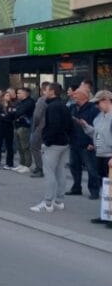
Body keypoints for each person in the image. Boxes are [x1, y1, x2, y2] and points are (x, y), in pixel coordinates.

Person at [30, 83, 73, 213]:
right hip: (64, 143)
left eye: (46, 90)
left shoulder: (52, 107)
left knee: (49, 173)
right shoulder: (63, 105)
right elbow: (69, 125)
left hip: (53, 144)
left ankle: (48, 202)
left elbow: (53, 126)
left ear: (52, 91)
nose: (44, 92)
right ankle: (59, 201)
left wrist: (47, 141)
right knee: (60, 172)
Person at [81, 90, 112, 227]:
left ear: (106, 100)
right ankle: (106, 214)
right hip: (100, 154)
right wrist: (86, 127)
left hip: (109, 156)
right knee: (106, 188)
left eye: (98, 103)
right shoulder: (99, 117)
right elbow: (97, 133)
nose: (97, 106)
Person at [67, 87, 101, 199]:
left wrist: (93, 142)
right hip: (74, 142)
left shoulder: (94, 109)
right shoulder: (72, 108)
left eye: (77, 94)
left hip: (87, 144)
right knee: (74, 166)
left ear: (85, 96)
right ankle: (76, 187)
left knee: (91, 169)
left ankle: (94, 191)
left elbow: (98, 128)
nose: (74, 95)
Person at [10, 88, 36, 174]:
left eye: (19, 93)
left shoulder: (30, 102)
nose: (17, 95)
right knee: (19, 146)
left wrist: (15, 112)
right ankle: (22, 163)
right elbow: (13, 112)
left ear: (25, 94)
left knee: (25, 146)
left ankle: (27, 165)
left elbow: (19, 112)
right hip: (17, 126)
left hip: (24, 127)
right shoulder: (20, 102)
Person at [29, 82, 51, 178]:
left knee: (34, 147)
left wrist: (34, 127)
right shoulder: (52, 100)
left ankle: (40, 168)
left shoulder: (42, 100)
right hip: (48, 127)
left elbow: (37, 115)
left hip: (40, 127)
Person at [0, 91, 15, 170]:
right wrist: (5, 117)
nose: (8, 97)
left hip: (9, 127)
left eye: (9, 95)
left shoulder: (12, 105)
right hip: (0, 127)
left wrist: (5, 116)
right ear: (3, 96)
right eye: (7, 95)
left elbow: (12, 116)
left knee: (9, 146)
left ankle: (9, 163)